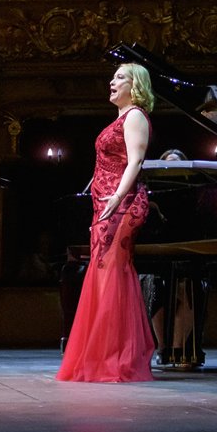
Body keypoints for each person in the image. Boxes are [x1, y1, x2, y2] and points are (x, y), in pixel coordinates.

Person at [57, 62, 155, 382]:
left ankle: (117, 357)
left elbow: (136, 161)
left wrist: (115, 198)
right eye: (112, 77)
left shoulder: (136, 116)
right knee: (103, 275)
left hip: (123, 205)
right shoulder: (120, 118)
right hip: (106, 205)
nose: (112, 82)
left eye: (120, 78)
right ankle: (102, 355)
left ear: (135, 85)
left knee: (114, 273)